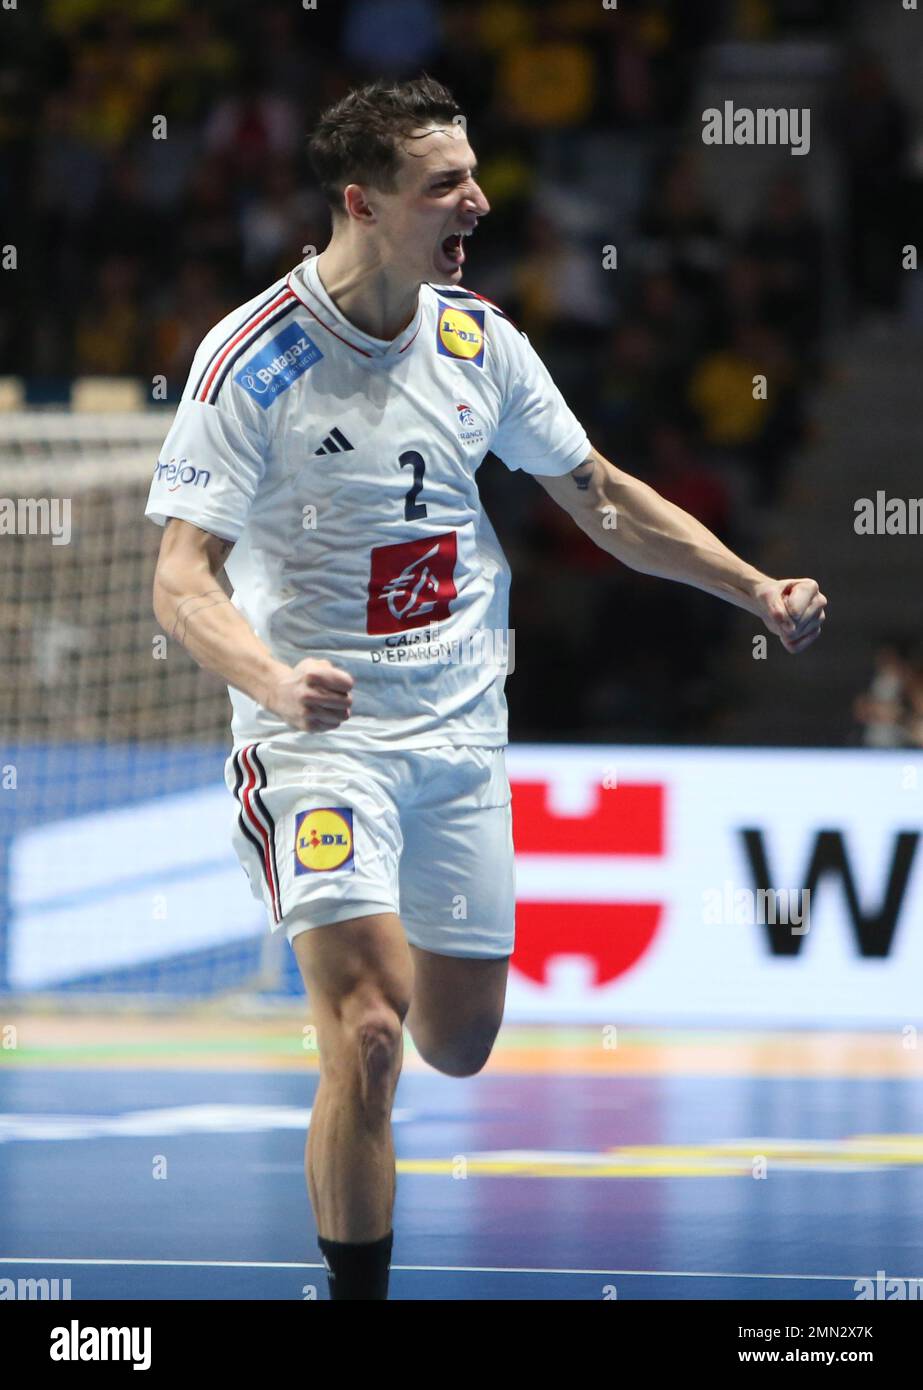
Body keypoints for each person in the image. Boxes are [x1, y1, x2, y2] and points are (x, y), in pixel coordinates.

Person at [145, 75, 828, 1300]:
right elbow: (180, 580)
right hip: (316, 736)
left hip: (459, 732)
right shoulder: (251, 360)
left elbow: (605, 501)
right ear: (360, 202)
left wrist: (754, 588)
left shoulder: (477, 341)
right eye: (445, 184)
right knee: (365, 1033)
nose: (477, 200)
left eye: (473, 173)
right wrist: (269, 676)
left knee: (455, 1042)